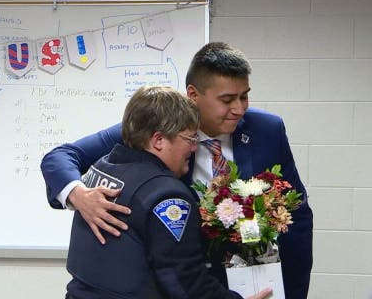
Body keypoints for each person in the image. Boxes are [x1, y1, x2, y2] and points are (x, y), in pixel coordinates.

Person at [42, 42, 313, 299]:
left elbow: (297, 214)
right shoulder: (160, 125)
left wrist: (294, 290)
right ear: (193, 95)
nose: (238, 109)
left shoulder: (267, 130)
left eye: (244, 96)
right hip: (186, 279)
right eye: (227, 99)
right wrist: (78, 195)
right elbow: (61, 157)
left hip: (247, 275)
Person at [65, 85, 271, 299]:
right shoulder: (167, 196)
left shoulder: (102, 168)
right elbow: (183, 280)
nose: (194, 149)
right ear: (158, 140)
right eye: (191, 139)